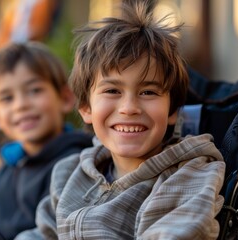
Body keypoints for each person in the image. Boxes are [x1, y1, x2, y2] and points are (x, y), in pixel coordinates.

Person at [15, 0, 225, 239]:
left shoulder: (187, 177)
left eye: (148, 92)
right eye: (112, 91)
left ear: (172, 111)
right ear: (85, 107)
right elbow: (43, 234)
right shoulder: (69, 173)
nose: (129, 108)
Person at [0, 42, 93, 240]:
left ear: (65, 99)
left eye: (35, 90)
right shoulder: (7, 169)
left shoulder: (76, 162)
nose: (21, 105)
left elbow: (54, 230)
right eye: (7, 98)